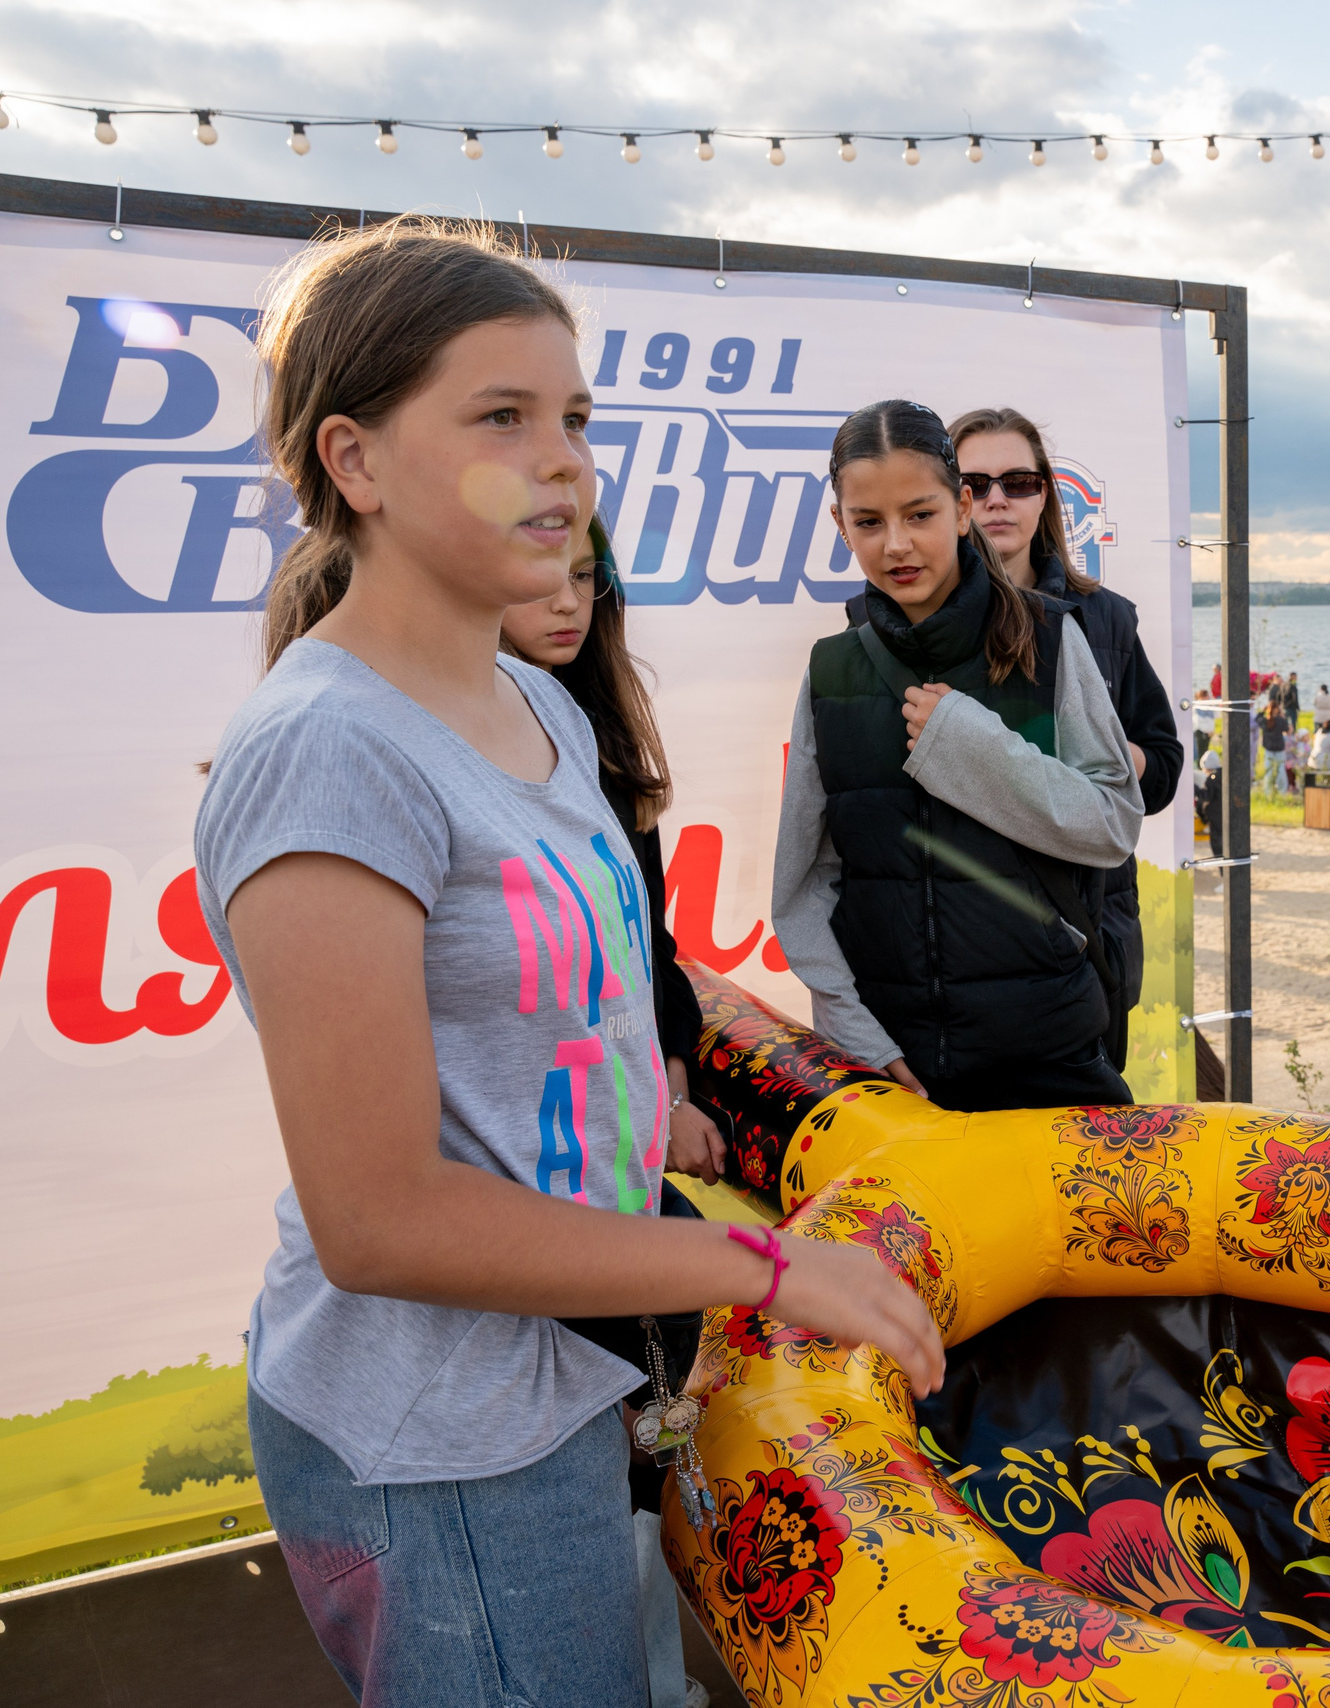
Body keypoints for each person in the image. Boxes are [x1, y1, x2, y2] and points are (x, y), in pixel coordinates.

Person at [193, 218, 943, 1703]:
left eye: (577, 420)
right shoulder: (330, 750)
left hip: (559, 1391)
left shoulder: (531, 708)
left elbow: (558, 1009)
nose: (565, 463)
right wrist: (770, 1265)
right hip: (440, 1443)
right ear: (353, 461)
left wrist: (635, 1102)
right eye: (500, 418)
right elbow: (381, 1219)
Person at [500, 516, 726, 1701]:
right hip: (517, 1228)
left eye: (587, 577)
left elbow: (654, 958)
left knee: (641, 1466)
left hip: (611, 1188)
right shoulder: (399, 750)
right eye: (542, 575)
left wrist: (672, 1084)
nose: (567, 601)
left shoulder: (595, 748)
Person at [771, 399, 1143, 1113]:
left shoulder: (1050, 641)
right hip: (891, 1073)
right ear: (838, 524)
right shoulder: (832, 672)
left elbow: (1113, 824)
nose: (897, 545)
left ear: (963, 507)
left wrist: (975, 750)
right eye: (868, 522)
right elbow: (802, 887)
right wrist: (859, 1038)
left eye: (920, 514)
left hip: (1051, 1060)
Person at [952, 408, 1185, 1072]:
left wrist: (1099, 754)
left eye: (1018, 481)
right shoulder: (917, 625)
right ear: (951, 497)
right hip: (964, 939)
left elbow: (1163, 766)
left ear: (1045, 492)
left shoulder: (1105, 619)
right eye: (976, 483)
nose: (997, 499)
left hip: (1087, 939)